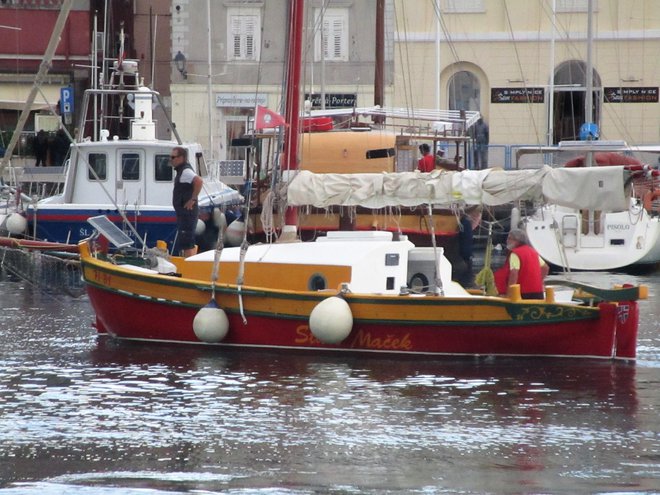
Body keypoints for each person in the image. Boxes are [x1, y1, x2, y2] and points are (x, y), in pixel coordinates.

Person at [494, 228, 549, 299]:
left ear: (517, 241)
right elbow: (545, 267)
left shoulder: (515, 253)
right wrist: (539, 280)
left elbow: (514, 274)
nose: (507, 241)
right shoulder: (532, 251)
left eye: (510, 238)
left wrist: (509, 294)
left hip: (522, 293)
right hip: (538, 292)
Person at [171, 146, 203, 257]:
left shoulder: (186, 171)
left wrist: (193, 199)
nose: (171, 160)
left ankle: (189, 265)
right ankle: (192, 261)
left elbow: (198, 180)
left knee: (187, 242)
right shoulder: (182, 171)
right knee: (187, 241)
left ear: (181, 158)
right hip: (184, 214)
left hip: (187, 213)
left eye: (173, 157)